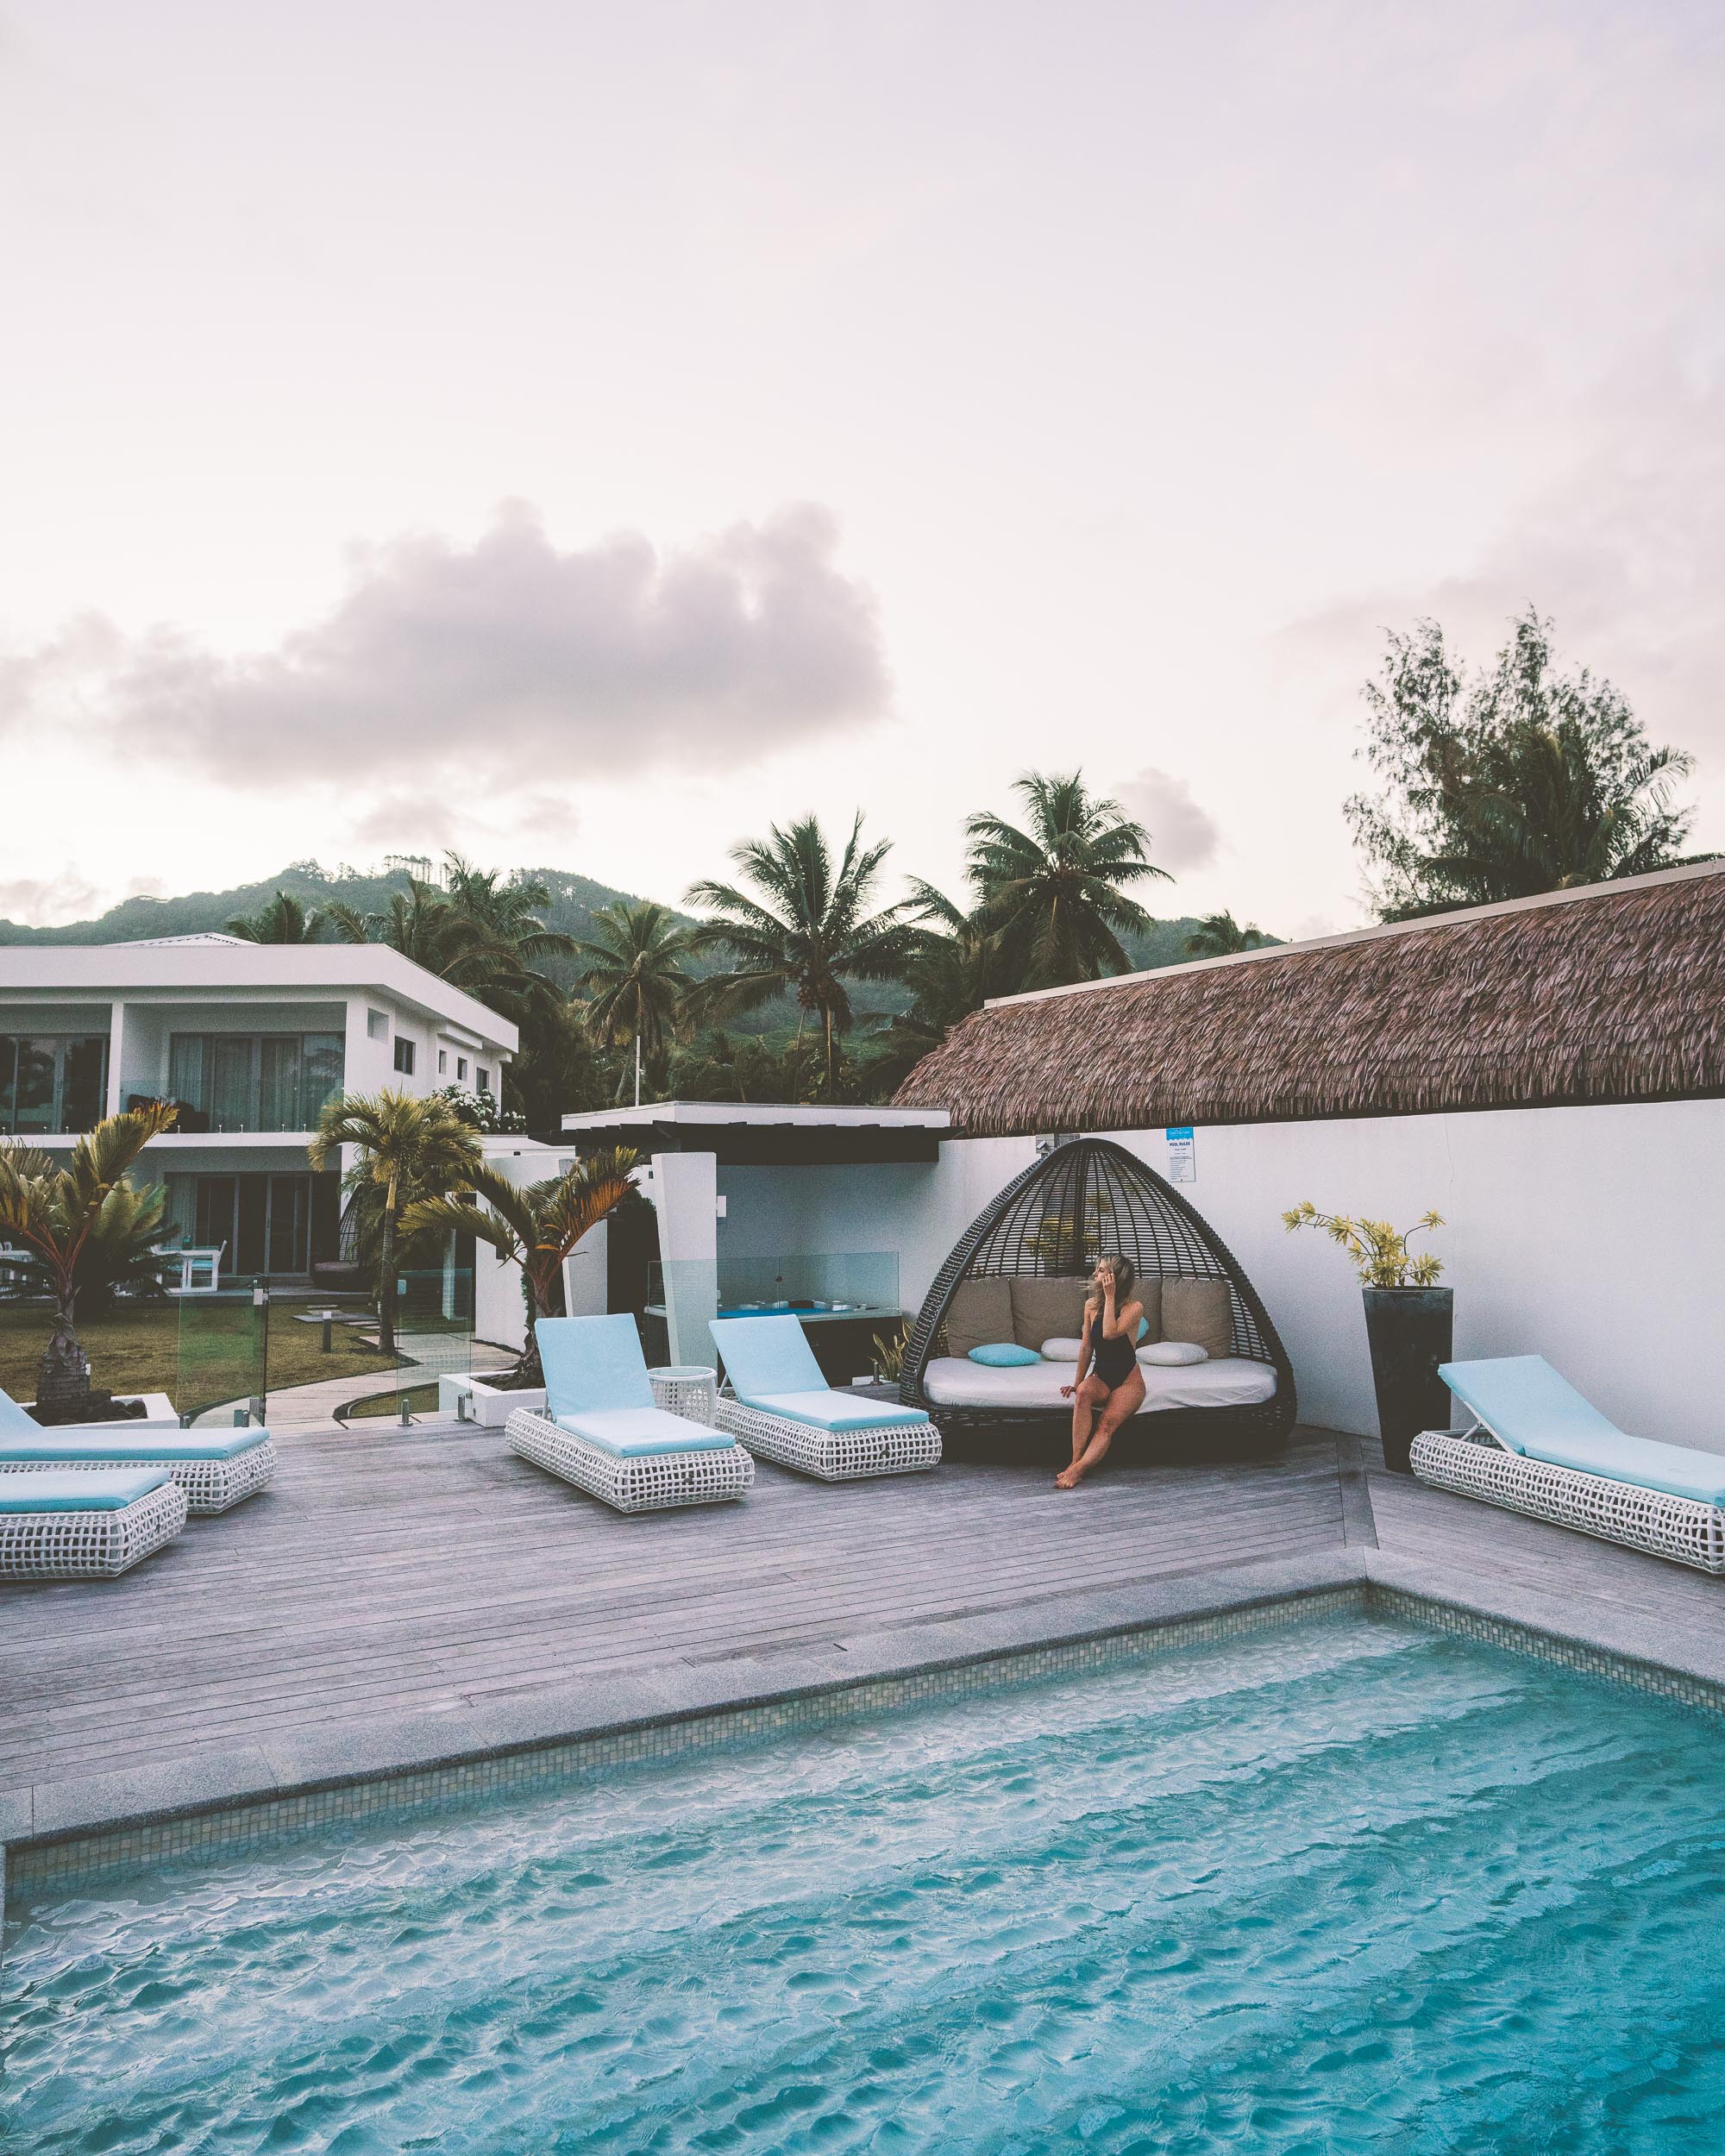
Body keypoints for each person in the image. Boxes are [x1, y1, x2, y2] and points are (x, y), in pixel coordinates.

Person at [1056, 1254, 1146, 1489]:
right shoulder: (1090, 1306)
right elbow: (1087, 1346)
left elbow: (1109, 1332)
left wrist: (1109, 1296)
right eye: (1096, 1270)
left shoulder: (1134, 1308)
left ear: (1115, 1278)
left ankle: (1078, 1470)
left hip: (1128, 1381)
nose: (1095, 1274)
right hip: (1102, 1375)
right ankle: (1075, 1462)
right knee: (1084, 1393)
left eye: (1101, 1270)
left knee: (1106, 1424)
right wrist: (1077, 1383)